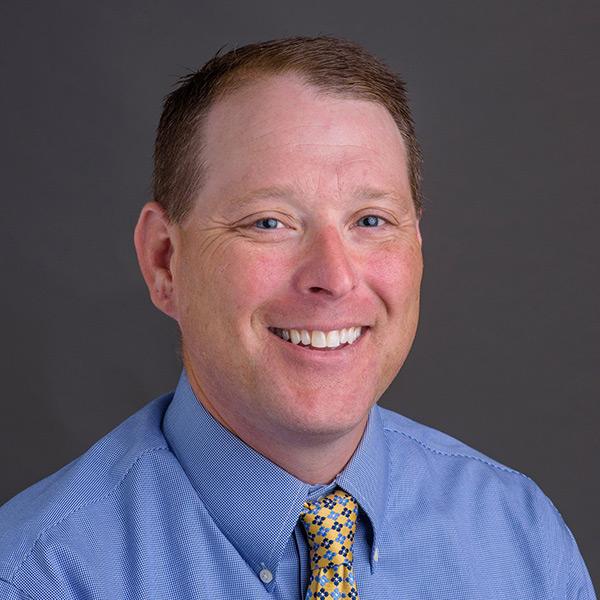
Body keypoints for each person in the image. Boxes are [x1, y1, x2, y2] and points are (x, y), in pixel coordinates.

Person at [0, 36, 595, 600]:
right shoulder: (38, 574)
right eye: (269, 222)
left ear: (417, 245)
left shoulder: (521, 536)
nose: (333, 277)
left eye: (370, 220)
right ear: (164, 261)